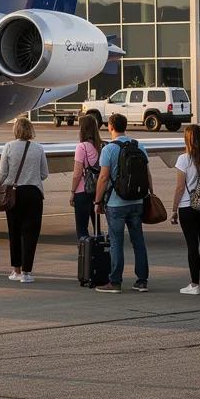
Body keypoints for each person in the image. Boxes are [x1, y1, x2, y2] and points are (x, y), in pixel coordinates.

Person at [94, 113, 151, 293]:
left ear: (110, 127)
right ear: (125, 126)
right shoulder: (139, 145)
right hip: (137, 201)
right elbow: (147, 175)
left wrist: (97, 201)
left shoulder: (108, 149)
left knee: (116, 242)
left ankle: (115, 281)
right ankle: (142, 281)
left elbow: (103, 177)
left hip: (116, 203)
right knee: (138, 242)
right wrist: (150, 195)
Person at [0, 117, 50, 282]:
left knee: (14, 232)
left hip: (14, 193)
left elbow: (3, 172)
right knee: (31, 233)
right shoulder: (38, 148)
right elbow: (44, 173)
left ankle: (16, 270)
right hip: (33, 193)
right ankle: (27, 273)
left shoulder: (9, 147)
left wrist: (0, 187)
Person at [172, 125, 200, 295]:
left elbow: (179, 187)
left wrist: (174, 209)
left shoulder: (184, 159)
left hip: (187, 206)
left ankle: (194, 284)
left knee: (193, 245)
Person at [70, 116, 103, 239]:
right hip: (98, 190)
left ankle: (85, 254)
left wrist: (73, 192)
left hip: (83, 191)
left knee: (82, 228)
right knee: (97, 228)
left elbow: (77, 174)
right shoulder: (102, 146)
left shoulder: (81, 147)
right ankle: (98, 253)